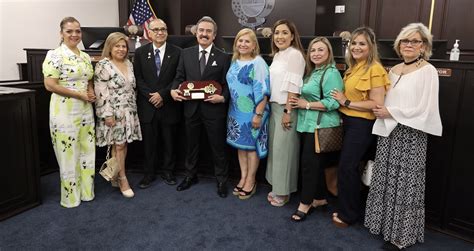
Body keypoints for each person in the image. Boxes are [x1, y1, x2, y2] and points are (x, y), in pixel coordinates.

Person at [364, 23, 442, 250]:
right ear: (399, 44)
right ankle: (384, 226)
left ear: (424, 46)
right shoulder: (394, 69)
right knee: (386, 180)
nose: (409, 45)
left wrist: (392, 112)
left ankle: (401, 236)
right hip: (388, 131)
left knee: (406, 185)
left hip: (411, 135)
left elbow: (426, 109)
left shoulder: (428, 70)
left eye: (415, 41)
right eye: (405, 41)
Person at [330, 27, 390, 226]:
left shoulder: (374, 68)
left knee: (347, 168)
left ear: (371, 46)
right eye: (353, 43)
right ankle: (348, 207)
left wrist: (346, 102)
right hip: (348, 122)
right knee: (348, 168)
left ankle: (349, 215)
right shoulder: (354, 67)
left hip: (361, 125)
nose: (356, 47)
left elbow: (376, 103)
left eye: (361, 43)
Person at [170, 16, 231, 198]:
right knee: (191, 146)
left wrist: (222, 98)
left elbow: (228, 84)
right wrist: (173, 90)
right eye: (201, 30)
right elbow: (179, 77)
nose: (204, 34)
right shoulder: (185, 53)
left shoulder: (223, 56)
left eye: (208, 31)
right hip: (191, 109)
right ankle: (190, 176)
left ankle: (221, 180)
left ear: (214, 35)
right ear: (196, 33)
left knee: (218, 147)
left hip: (214, 110)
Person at [42, 17, 96, 208]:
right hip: (64, 109)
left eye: (78, 31)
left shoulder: (85, 56)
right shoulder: (55, 55)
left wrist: (90, 91)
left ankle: (87, 192)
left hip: (85, 109)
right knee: (68, 153)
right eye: (69, 31)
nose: (74, 35)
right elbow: (50, 85)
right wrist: (79, 95)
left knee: (87, 150)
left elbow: (88, 78)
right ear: (61, 33)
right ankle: (71, 198)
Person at [288, 37, 343, 221]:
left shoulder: (331, 72)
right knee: (315, 166)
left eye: (321, 50)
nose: (316, 53)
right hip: (308, 125)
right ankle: (319, 198)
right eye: (313, 50)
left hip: (321, 126)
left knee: (309, 166)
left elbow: (334, 102)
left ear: (328, 53)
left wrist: (307, 105)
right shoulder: (312, 72)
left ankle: (305, 204)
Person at [134, 19, 182, 189]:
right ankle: (148, 174)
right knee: (149, 143)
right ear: (149, 32)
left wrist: (162, 95)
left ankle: (168, 172)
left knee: (170, 142)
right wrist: (151, 96)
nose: (160, 32)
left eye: (163, 29)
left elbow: (179, 77)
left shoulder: (177, 52)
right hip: (148, 106)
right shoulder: (140, 52)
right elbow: (138, 79)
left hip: (168, 104)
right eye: (156, 29)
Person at [94, 32, 142, 198]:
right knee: (119, 145)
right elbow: (101, 92)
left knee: (122, 145)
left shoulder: (129, 63)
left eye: (124, 46)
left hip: (129, 111)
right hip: (113, 112)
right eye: (117, 46)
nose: (121, 49)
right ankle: (122, 179)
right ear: (110, 47)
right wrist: (107, 115)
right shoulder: (104, 65)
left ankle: (115, 176)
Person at [226, 28, 270, 199]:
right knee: (241, 147)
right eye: (240, 41)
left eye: (247, 41)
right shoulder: (234, 61)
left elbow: (264, 90)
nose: (243, 44)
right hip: (236, 112)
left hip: (253, 112)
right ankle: (243, 177)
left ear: (254, 45)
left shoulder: (258, 62)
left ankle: (251, 180)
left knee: (251, 148)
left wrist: (258, 114)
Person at [266, 19, 305, 207]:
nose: (280, 36)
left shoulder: (295, 55)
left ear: (292, 36)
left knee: (285, 151)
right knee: (276, 150)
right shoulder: (278, 55)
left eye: (284, 33)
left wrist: (288, 111)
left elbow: (293, 85)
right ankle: (276, 186)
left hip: (285, 108)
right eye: (277, 33)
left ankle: (284, 191)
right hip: (274, 108)